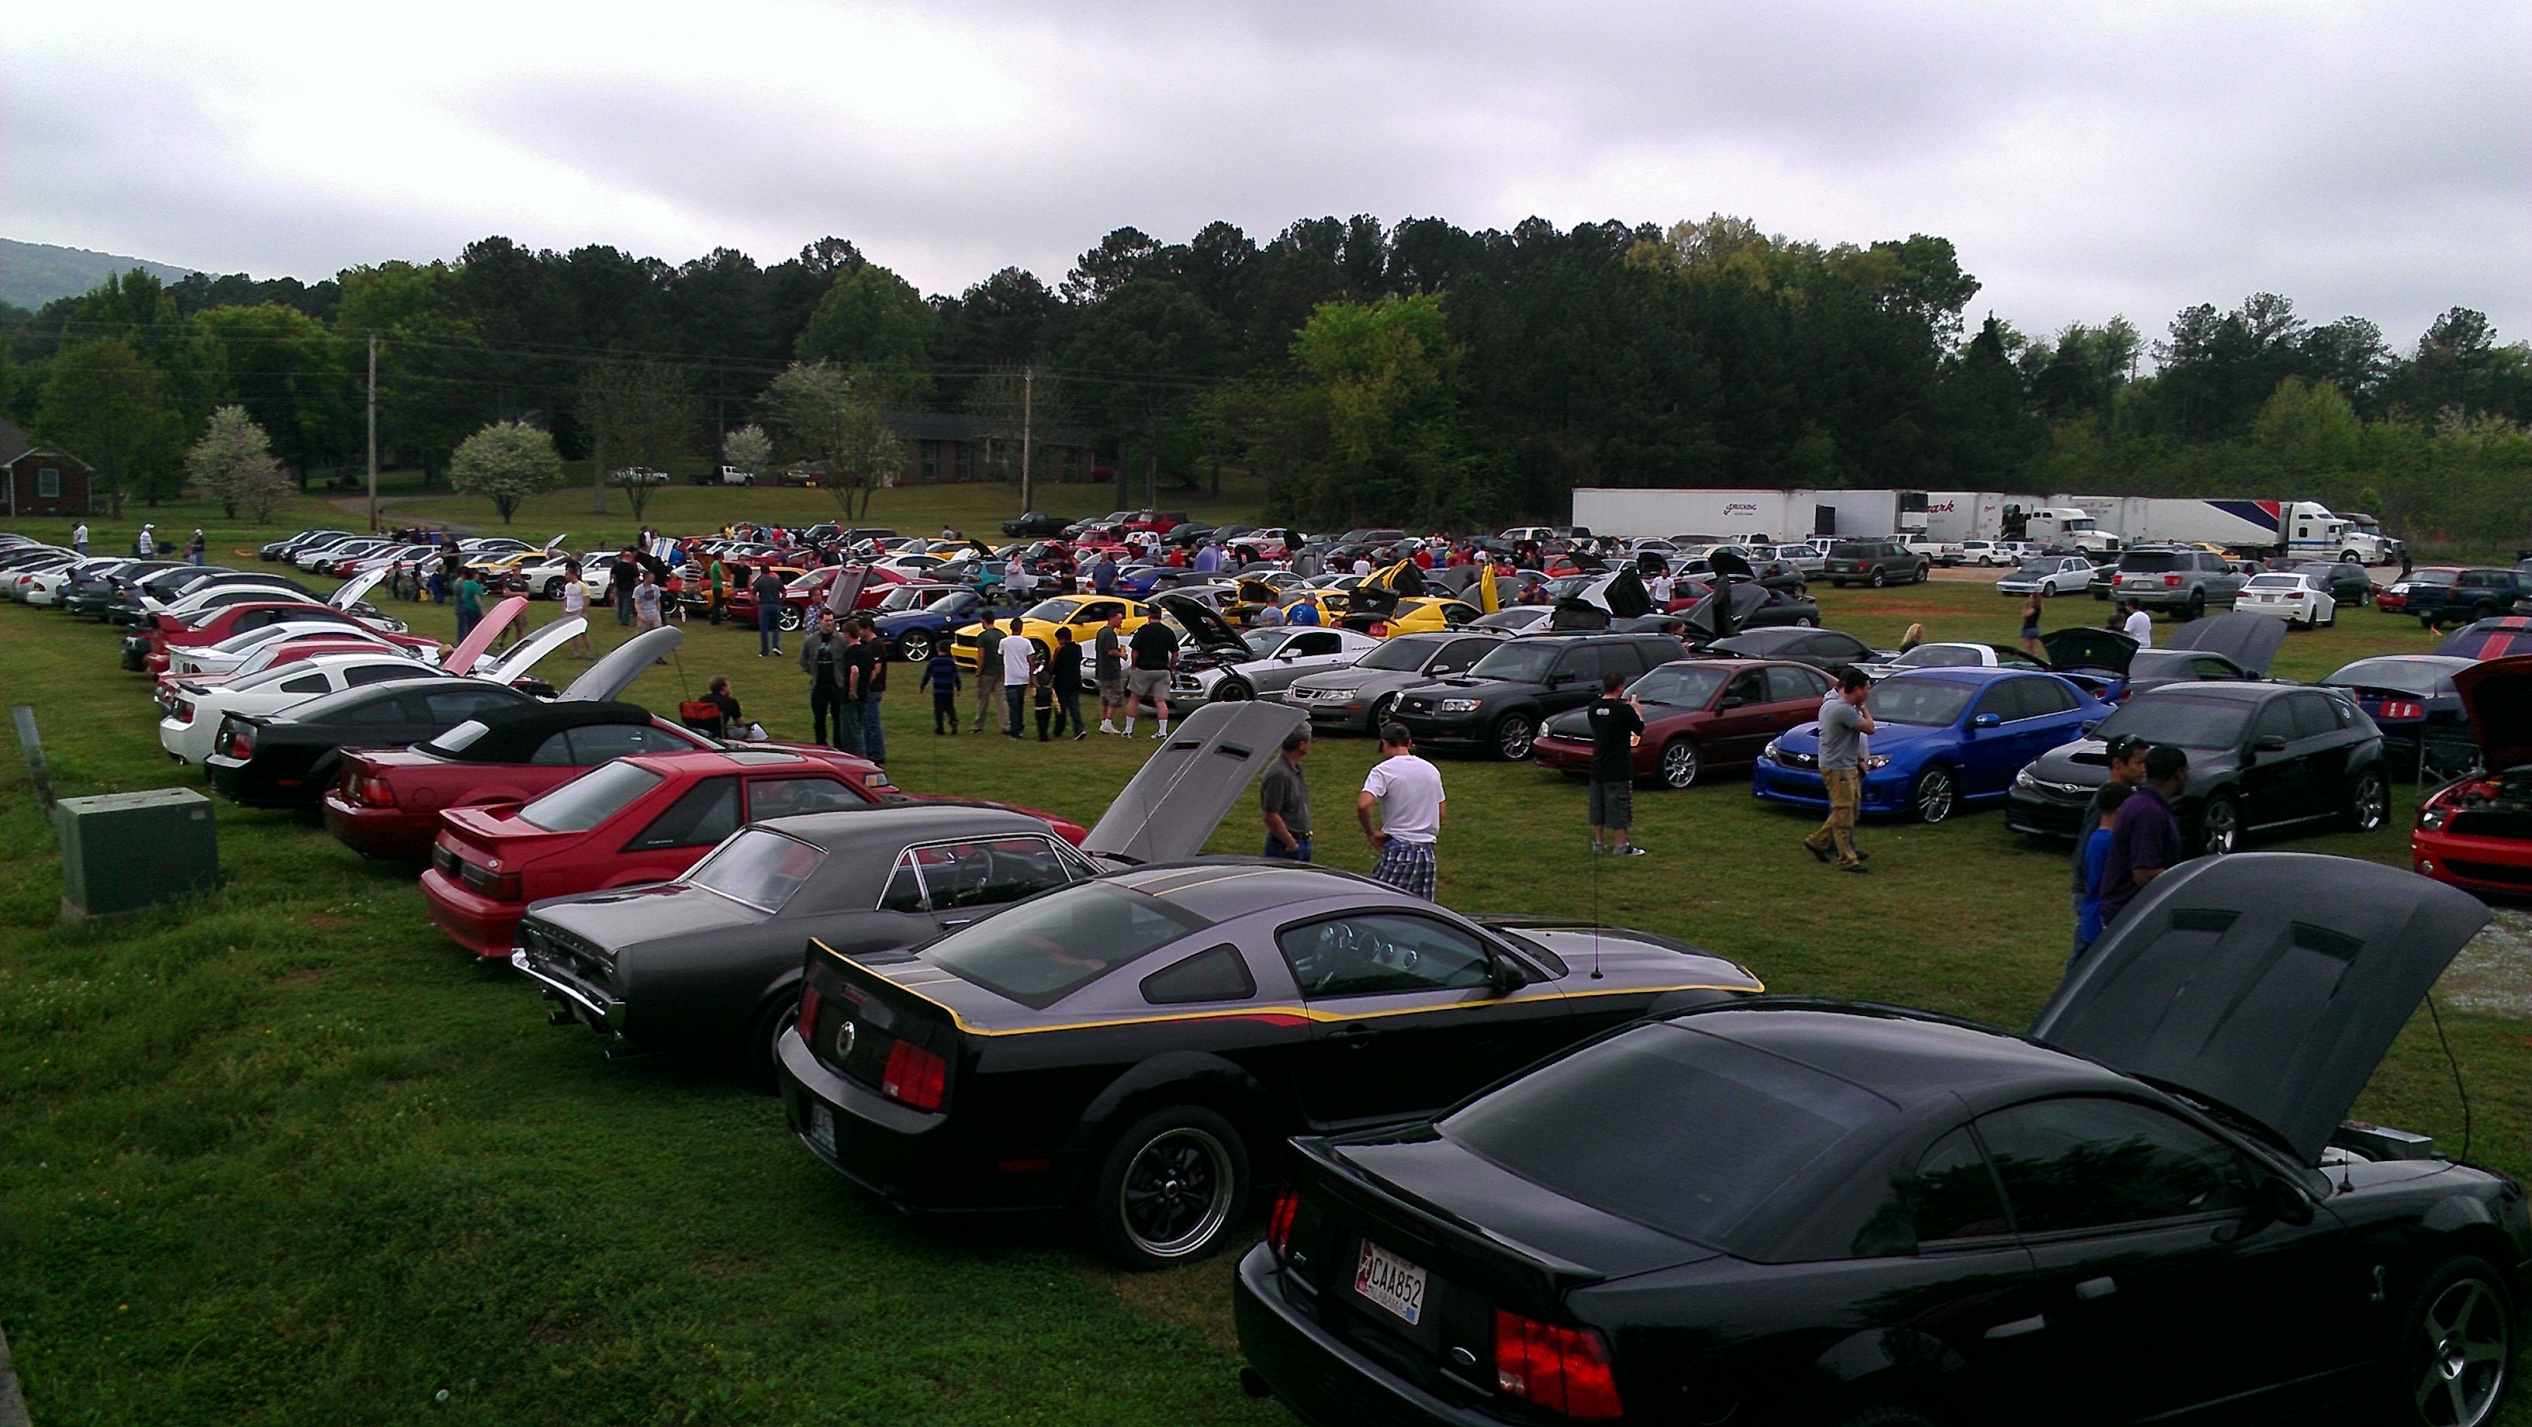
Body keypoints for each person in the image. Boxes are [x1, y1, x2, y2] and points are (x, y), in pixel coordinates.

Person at [2068, 735, 2150, 952]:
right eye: (2138, 762)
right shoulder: (2107, 804)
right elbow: (2087, 852)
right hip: (2094, 894)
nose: (2144, 769)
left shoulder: (2128, 796)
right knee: (2088, 955)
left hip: (2104, 895)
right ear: (2117, 763)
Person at [2099, 745, 2188, 928]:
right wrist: (2187, 877)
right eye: (2187, 771)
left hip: (2131, 912)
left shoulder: (2140, 803)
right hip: (2130, 916)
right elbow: (2144, 874)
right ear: (2179, 773)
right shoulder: (2148, 812)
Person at [1358, 722, 1445, 898]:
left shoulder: (1382, 771)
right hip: (1426, 855)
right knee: (1419, 909)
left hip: (1399, 851)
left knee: (1376, 902)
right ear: (1409, 742)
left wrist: (1371, 833)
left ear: (1384, 743)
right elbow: (1441, 813)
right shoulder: (1431, 770)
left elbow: (1363, 804)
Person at [1803, 667, 1874, 873]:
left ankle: (1817, 841)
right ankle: (1847, 859)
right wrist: (1863, 709)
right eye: (1866, 689)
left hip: (1846, 765)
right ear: (1857, 689)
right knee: (1843, 812)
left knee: (1849, 808)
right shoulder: (1841, 709)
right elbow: (1869, 728)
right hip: (1838, 768)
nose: (1868, 693)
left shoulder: (1838, 706)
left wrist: (1859, 759)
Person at [1584, 671, 1646, 855]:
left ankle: (1598, 843)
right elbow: (1639, 729)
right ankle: (1621, 845)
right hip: (1617, 766)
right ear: (1620, 687)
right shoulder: (1623, 710)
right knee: (1618, 805)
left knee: (1598, 806)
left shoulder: (1594, 708)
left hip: (1598, 764)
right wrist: (1637, 709)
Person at [2073, 781, 2135, 958]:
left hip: (2092, 915)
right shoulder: (2110, 842)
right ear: (2120, 809)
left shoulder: (2097, 837)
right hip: (2101, 920)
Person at [800, 609, 859, 753]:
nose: (829, 624)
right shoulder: (812, 640)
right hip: (819, 685)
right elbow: (803, 659)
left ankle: (839, 746)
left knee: (838, 718)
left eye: (831, 620)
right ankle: (820, 745)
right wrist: (811, 671)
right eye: (826, 620)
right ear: (820, 621)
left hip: (836, 684)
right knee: (819, 719)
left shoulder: (840, 640)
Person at [1123, 609, 1178, 738]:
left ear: (1149, 617)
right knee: (1160, 701)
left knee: (1134, 698)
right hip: (1162, 670)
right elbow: (1175, 654)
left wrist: (1134, 665)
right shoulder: (1168, 631)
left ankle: (1128, 730)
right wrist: (1171, 668)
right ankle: (1162, 731)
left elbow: (1135, 650)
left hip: (1143, 669)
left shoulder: (1143, 631)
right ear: (1160, 617)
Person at [1260, 727, 1313, 861]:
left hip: (1301, 841)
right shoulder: (1279, 774)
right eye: (1309, 741)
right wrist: (1291, 844)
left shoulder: (1295, 768)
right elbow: (1270, 815)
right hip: (1284, 847)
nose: (1310, 744)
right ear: (1301, 745)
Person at [854, 617, 888, 764]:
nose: (859, 632)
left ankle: (877, 754)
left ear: (867, 628)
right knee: (867, 723)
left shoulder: (875, 645)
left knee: (872, 723)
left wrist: (865, 685)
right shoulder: (866, 644)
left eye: (860, 629)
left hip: (873, 689)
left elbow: (877, 668)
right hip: (870, 689)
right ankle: (869, 751)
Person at [1000, 616, 1039, 739]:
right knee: (1020, 704)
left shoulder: (1004, 642)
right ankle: (1020, 727)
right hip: (1023, 676)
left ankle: (1015, 732)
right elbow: (1031, 660)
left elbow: (1000, 655)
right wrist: (1032, 677)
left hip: (1010, 678)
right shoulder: (1026, 642)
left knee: (1013, 706)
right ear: (1021, 628)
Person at [1094, 609, 1128, 733]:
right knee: (1115, 697)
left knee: (1104, 697)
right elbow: (1111, 651)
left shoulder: (1101, 632)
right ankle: (1108, 722)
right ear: (1112, 618)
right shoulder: (1110, 634)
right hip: (1111, 670)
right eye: (1119, 619)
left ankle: (1103, 721)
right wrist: (1122, 654)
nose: (1121, 622)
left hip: (1101, 669)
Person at [1049, 626, 1086, 740]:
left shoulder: (1060, 650)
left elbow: (1054, 666)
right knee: (1074, 706)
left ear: (1061, 639)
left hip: (1061, 682)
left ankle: (1059, 729)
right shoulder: (1077, 648)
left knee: (1061, 707)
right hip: (1074, 681)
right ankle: (1079, 728)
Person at [972, 618, 1007, 733]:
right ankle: (1006, 725)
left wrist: (978, 673)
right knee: (1001, 700)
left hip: (986, 672)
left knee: (982, 699)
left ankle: (978, 725)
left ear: (983, 621)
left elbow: (981, 656)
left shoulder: (983, 636)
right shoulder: (1001, 634)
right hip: (999, 670)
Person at [925, 641, 962, 735]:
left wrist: (923, 686)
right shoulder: (950, 662)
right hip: (949, 689)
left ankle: (940, 728)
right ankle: (953, 720)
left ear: (938, 649)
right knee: (949, 706)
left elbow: (927, 675)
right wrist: (958, 687)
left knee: (938, 710)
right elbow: (956, 676)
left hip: (938, 690)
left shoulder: (933, 661)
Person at [559, 562, 595, 659]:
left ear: (572, 574)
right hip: (570, 611)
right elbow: (566, 598)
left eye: (567, 574)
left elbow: (586, 599)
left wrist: (583, 611)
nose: (566, 576)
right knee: (573, 634)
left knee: (584, 633)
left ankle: (589, 652)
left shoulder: (581, 586)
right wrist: (564, 610)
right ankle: (576, 652)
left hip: (579, 610)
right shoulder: (567, 586)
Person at [751, 564, 785, 657]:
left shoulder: (759, 581)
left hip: (764, 605)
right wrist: (780, 600)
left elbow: (753, 595)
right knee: (776, 627)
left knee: (764, 629)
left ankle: (765, 651)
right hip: (776, 605)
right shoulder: (776, 580)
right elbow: (784, 592)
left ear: (761, 571)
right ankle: (776, 646)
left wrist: (758, 601)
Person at [453, 568, 486, 643]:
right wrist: (482, 610)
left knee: (467, 626)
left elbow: (463, 596)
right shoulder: (474, 585)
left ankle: (465, 641)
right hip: (473, 608)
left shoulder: (465, 584)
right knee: (475, 627)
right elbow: (477, 598)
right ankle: (474, 642)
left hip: (466, 607)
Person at [615, 547, 641, 626]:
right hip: (628, 588)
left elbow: (613, 576)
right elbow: (636, 579)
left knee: (620, 604)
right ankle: (625, 621)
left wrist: (614, 584)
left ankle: (620, 618)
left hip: (619, 587)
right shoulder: (631, 567)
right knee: (626, 604)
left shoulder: (617, 566)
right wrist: (638, 586)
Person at [2020, 593, 2045, 658]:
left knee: (2025, 648)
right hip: (2035, 628)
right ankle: (2036, 660)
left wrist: (2026, 606)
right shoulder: (2039, 607)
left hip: (2028, 629)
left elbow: (2024, 615)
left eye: (2030, 597)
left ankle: (2025, 660)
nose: (2029, 599)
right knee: (2034, 648)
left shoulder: (2033, 608)